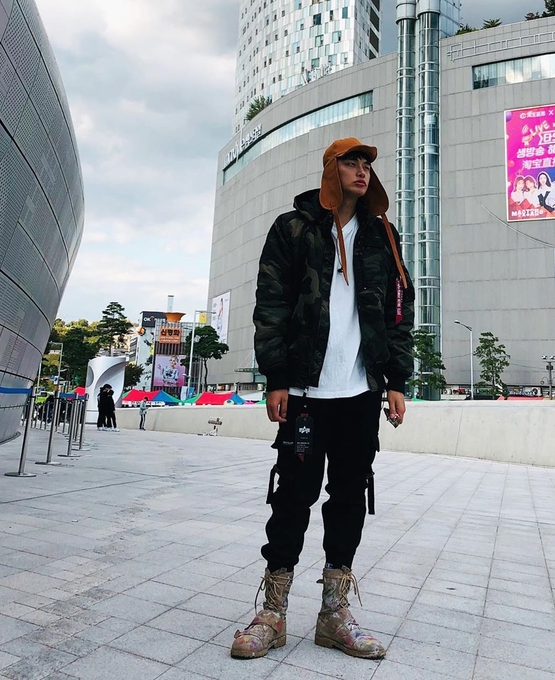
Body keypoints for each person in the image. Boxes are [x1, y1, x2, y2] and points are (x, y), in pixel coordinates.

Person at [230, 138, 414, 661]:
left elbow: (399, 310)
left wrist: (396, 380)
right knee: (293, 497)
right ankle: (273, 613)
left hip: (360, 391)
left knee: (350, 497)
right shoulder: (293, 228)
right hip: (305, 392)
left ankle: (334, 615)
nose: (362, 171)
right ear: (332, 168)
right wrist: (277, 377)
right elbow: (270, 304)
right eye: (352, 162)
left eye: (367, 164)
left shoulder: (382, 234)